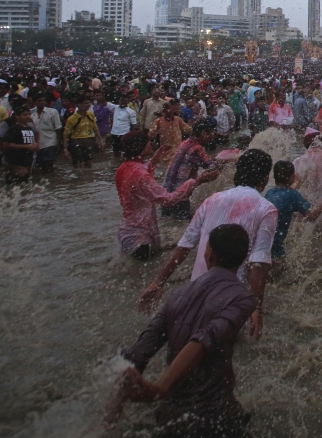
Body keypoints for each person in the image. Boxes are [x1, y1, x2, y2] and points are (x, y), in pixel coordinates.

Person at [111, 224, 259, 438]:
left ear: (208, 254)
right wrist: (160, 388)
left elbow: (137, 353)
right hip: (215, 421)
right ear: (244, 257)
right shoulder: (243, 298)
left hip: (170, 422)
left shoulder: (179, 294)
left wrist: (112, 414)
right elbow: (204, 340)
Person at [140, 149, 277, 339]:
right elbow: (258, 263)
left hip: (197, 294)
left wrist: (159, 281)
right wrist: (256, 308)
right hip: (233, 301)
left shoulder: (212, 200)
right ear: (263, 178)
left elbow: (185, 246)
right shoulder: (266, 209)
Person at [115, 132, 219, 261]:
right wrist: (197, 181)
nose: (151, 143)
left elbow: (140, 176)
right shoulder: (140, 175)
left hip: (128, 231)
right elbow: (168, 200)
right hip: (140, 237)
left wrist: (155, 159)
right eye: (148, 142)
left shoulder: (124, 168)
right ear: (140, 146)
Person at [263, 160, 322, 259]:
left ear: (274, 177)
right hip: (276, 243)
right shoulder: (293, 195)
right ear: (291, 176)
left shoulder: (269, 193)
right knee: (280, 268)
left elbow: (285, 192)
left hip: (264, 239)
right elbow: (312, 217)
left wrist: (295, 183)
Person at [161, 119, 219, 220]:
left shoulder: (186, 143)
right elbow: (212, 167)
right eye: (212, 131)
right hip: (179, 196)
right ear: (204, 133)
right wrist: (230, 160)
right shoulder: (195, 148)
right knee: (183, 226)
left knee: (169, 223)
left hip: (166, 194)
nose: (214, 135)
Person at [2, 108, 39, 182]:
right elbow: (6, 145)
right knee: (16, 184)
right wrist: (26, 146)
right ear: (17, 116)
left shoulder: (29, 128)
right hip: (16, 162)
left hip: (28, 161)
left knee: (26, 185)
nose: (28, 116)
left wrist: (35, 145)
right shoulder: (13, 129)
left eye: (29, 114)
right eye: (25, 114)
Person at [64, 96, 102, 168]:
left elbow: (95, 128)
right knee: (77, 164)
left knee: (88, 163)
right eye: (85, 103)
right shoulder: (72, 118)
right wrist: (65, 149)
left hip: (89, 141)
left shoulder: (90, 114)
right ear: (79, 105)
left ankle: (87, 178)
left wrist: (100, 140)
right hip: (76, 142)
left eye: (88, 103)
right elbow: (66, 134)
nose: (88, 105)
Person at [31, 94, 64, 172]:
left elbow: (59, 128)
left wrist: (59, 145)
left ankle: (51, 181)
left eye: (43, 100)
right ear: (34, 102)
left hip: (50, 142)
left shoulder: (52, 112)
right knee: (39, 167)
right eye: (39, 101)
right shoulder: (32, 115)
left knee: (49, 165)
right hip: (39, 144)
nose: (42, 102)